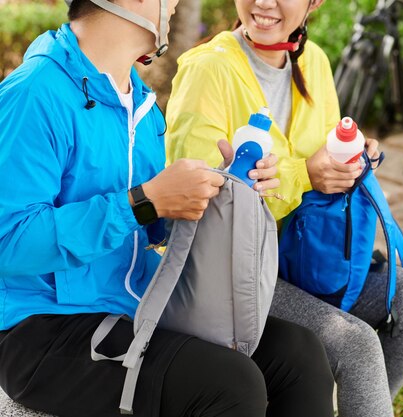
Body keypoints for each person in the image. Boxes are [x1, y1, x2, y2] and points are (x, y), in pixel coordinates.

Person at [0, 0, 336, 416]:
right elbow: (10, 241)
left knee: (298, 355)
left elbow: (153, 226)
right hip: (43, 329)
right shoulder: (35, 93)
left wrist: (219, 188)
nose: (176, 3)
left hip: (133, 304)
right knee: (229, 383)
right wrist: (144, 202)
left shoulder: (139, 104)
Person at [165, 0, 403, 416]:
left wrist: (350, 157)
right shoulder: (207, 69)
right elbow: (197, 200)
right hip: (232, 272)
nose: (264, 3)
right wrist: (305, 174)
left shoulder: (313, 61)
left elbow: (323, 160)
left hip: (306, 260)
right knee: (355, 344)